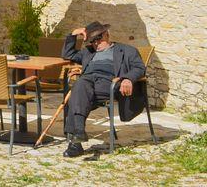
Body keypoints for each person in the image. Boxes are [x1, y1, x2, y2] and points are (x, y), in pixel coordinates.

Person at [61, 22, 147, 158]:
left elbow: (139, 68)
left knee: (77, 93)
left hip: (109, 82)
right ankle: (78, 132)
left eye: (98, 39)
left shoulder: (126, 50)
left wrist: (128, 78)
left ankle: (75, 143)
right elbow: (68, 54)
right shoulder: (88, 52)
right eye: (92, 40)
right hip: (88, 83)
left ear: (107, 35)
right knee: (81, 84)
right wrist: (74, 34)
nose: (96, 43)